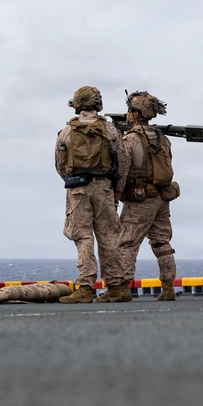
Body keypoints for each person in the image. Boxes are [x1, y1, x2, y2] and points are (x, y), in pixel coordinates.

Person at [54, 86, 129, 303]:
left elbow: (59, 165)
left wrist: (74, 182)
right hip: (105, 188)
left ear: (77, 104)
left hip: (78, 190)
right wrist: (116, 190)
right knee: (109, 237)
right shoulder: (110, 131)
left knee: (82, 236)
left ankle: (85, 288)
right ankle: (116, 287)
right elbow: (122, 163)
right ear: (98, 104)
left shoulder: (66, 132)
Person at [116, 91, 181, 302]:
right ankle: (168, 287)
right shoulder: (163, 139)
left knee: (126, 242)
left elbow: (123, 169)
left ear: (135, 113)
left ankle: (122, 288)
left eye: (129, 111)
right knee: (162, 243)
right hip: (162, 198)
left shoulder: (131, 139)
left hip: (140, 198)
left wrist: (116, 193)